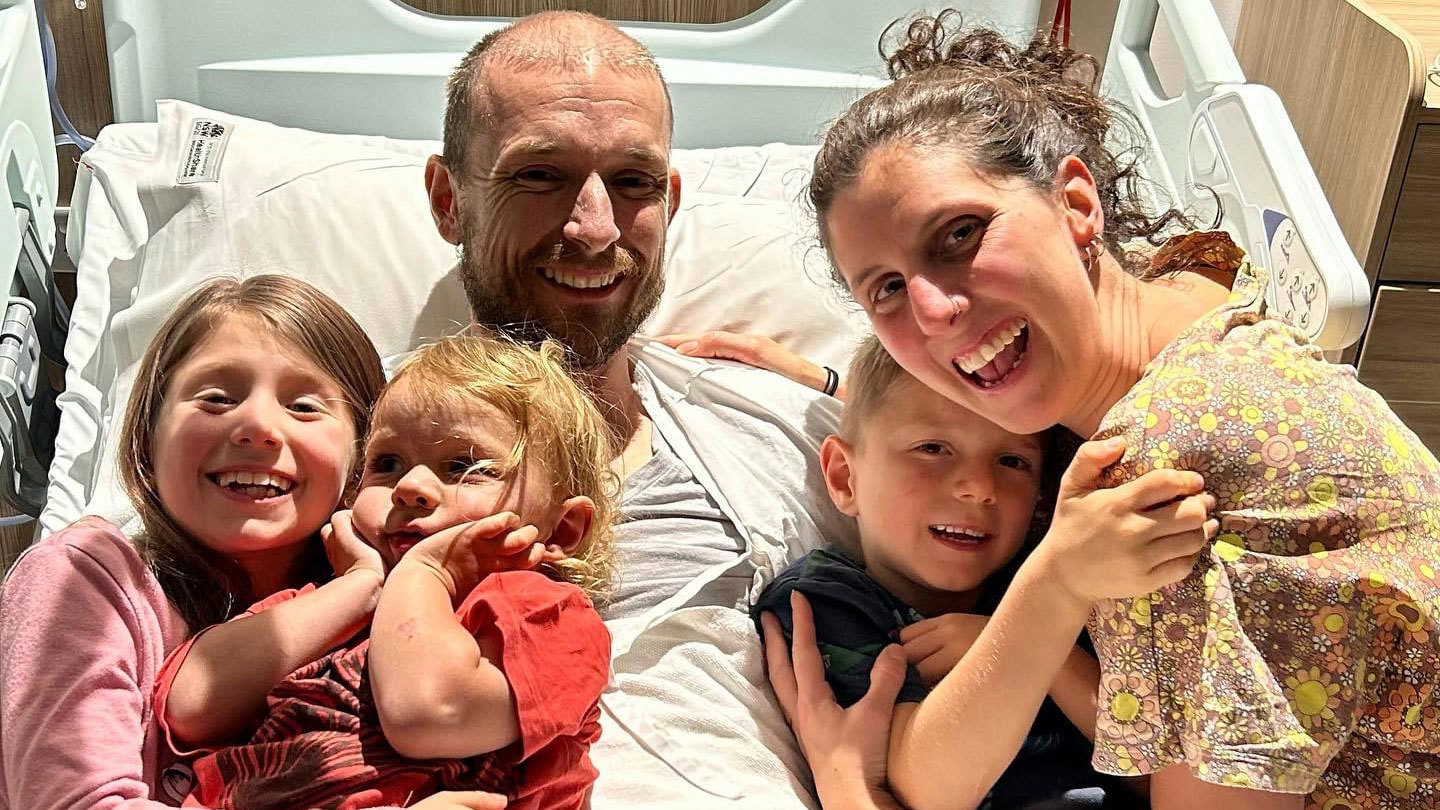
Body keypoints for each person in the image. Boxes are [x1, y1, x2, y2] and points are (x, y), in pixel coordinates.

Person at [792, 10, 1440, 810]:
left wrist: (852, 792)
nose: (932, 312)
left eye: (958, 234)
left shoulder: (1152, 478)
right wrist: (814, 379)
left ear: (1076, 204)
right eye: (885, 288)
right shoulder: (1200, 292)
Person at [423, 11, 856, 807]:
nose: (594, 229)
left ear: (672, 198)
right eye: (539, 175)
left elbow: (980, 494)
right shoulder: (329, 440)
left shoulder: (778, 433)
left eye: (633, 182)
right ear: (449, 200)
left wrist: (843, 389)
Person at [0, 277, 504, 810]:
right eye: (216, 399)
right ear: (148, 439)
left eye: (306, 407)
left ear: (361, 463)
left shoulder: (416, 609)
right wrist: (364, 586)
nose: (258, 426)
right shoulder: (83, 582)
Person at [755, 336, 1215, 810]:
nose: (978, 487)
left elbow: (1161, 778)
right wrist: (1039, 617)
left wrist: (1044, 646)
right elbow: (924, 793)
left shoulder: (1062, 582)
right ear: (843, 478)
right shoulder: (825, 600)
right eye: (932, 448)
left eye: (1012, 461)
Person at [158, 333, 614, 810]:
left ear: (561, 530)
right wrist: (360, 586)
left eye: (466, 466)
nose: (411, 487)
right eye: (388, 463)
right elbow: (191, 705)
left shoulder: (550, 617)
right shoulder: (331, 603)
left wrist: (425, 574)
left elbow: (426, 716)